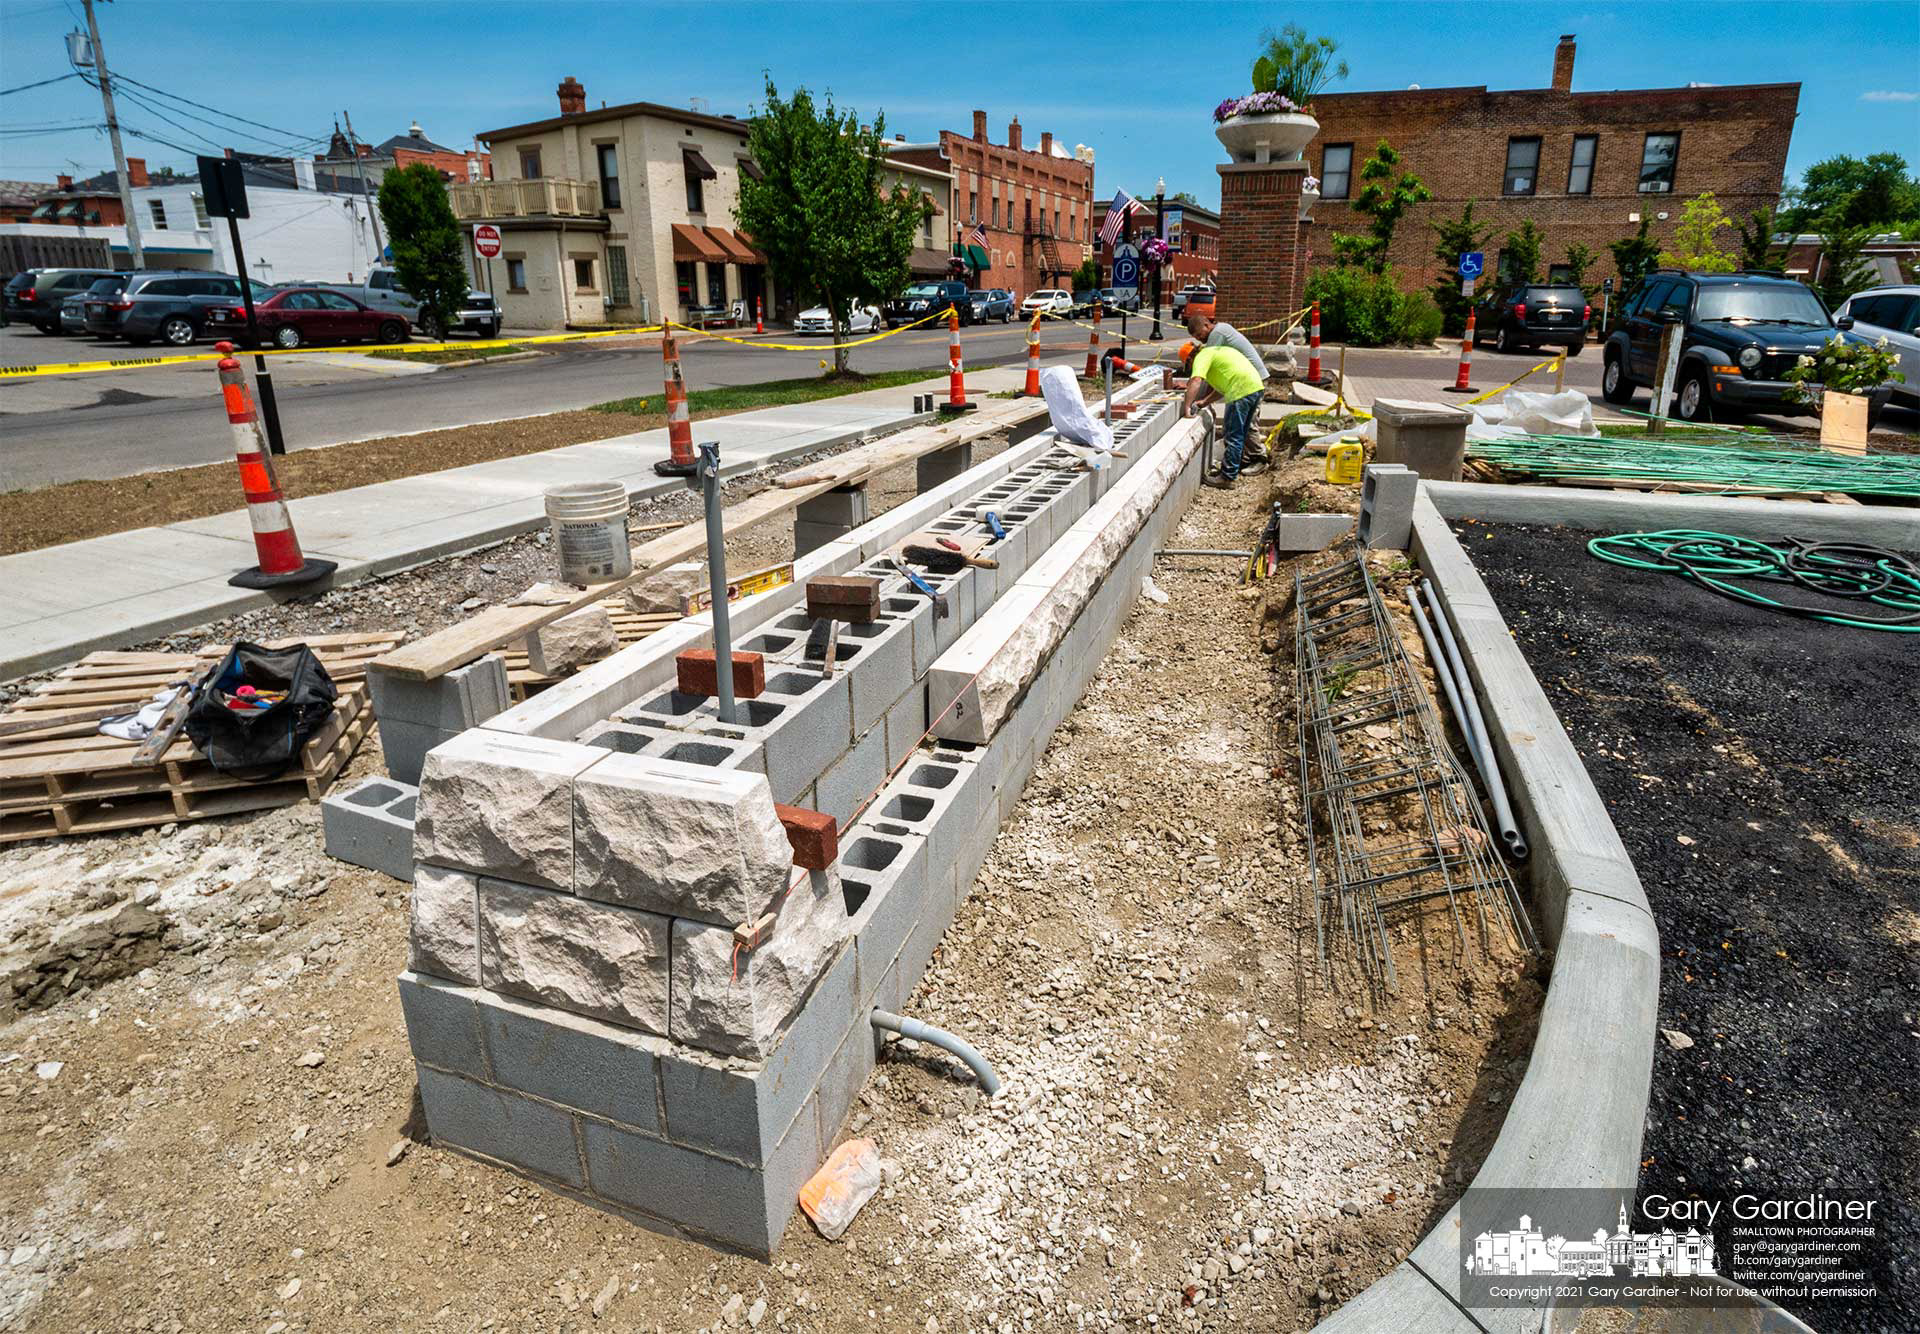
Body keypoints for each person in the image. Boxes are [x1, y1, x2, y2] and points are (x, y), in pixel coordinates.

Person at [1179, 338, 1265, 489]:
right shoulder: (1218, 352)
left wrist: (1187, 407)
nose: (1192, 368)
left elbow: (1196, 380)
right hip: (1254, 388)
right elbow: (1221, 388)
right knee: (1241, 432)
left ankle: (1227, 477)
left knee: (1233, 435)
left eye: (1189, 365)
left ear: (1191, 358)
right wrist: (1204, 402)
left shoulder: (1201, 357)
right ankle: (1234, 467)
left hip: (1240, 391)